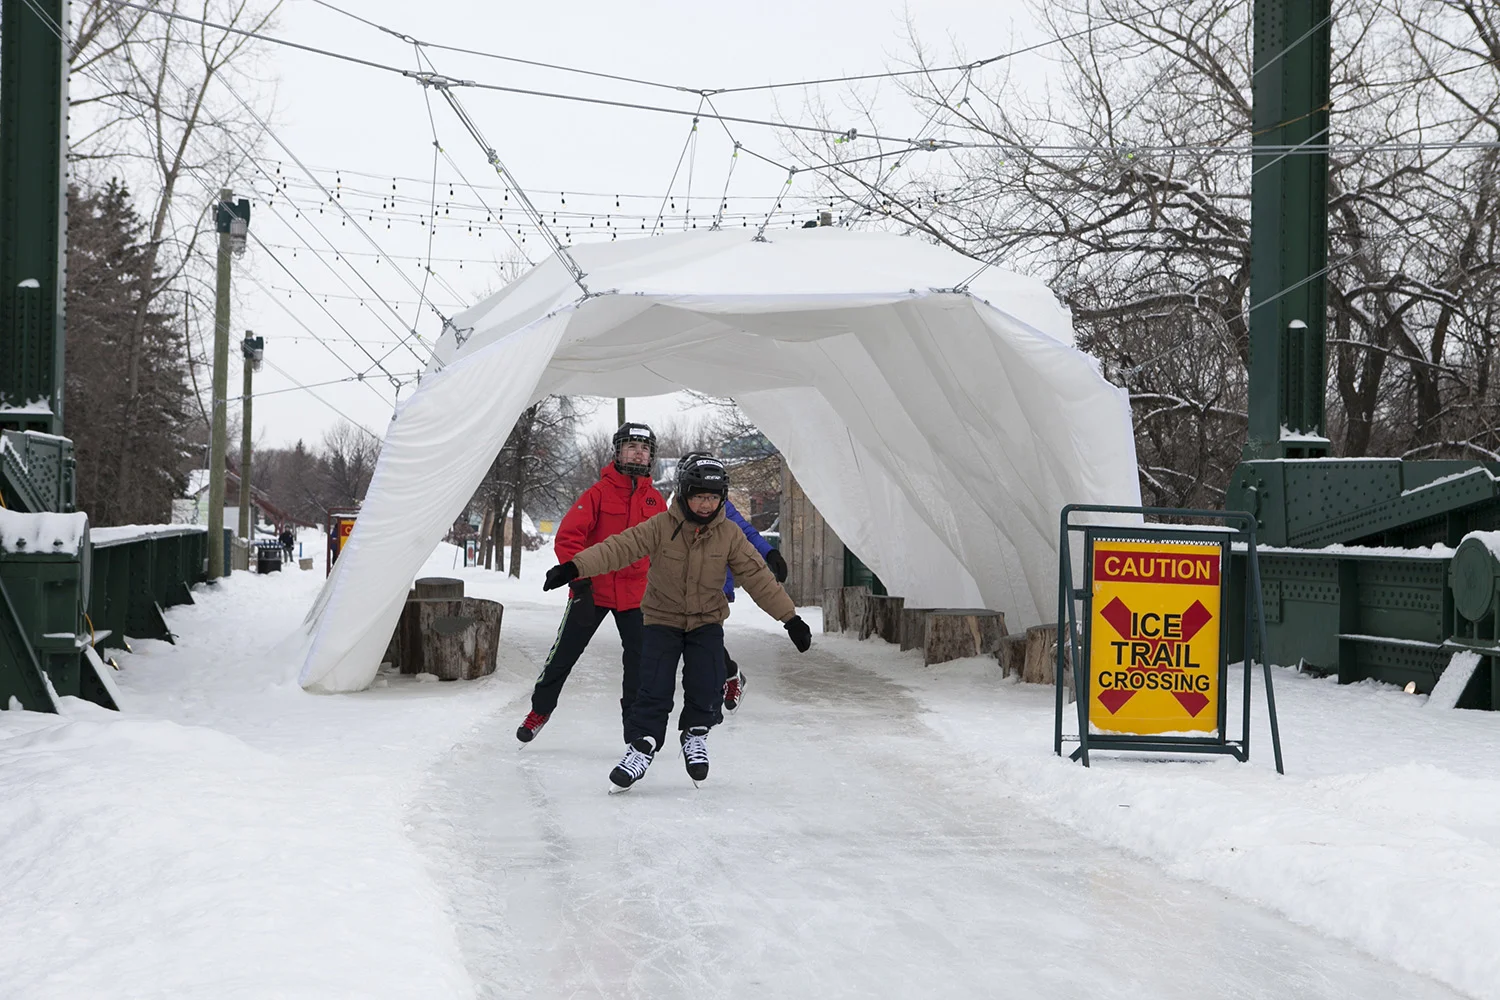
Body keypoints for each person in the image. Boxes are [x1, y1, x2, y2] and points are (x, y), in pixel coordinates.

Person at [543, 453, 812, 790]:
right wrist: (573, 567)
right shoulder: (661, 526)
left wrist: (790, 619)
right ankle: (642, 746)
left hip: (706, 621)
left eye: (713, 497)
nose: (705, 504)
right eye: (699, 495)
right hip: (661, 620)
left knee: (707, 681)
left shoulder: (729, 534)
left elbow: (758, 577)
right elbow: (618, 547)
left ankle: (695, 734)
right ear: (685, 493)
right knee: (652, 686)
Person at [516, 423, 666, 744]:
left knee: (640, 663)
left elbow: (664, 548)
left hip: (637, 594)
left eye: (644, 448)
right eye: (631, 447)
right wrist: (580, 582)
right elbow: (570, 537)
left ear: (650, 456)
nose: (638, 453)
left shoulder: (656, 501)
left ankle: (634, 727)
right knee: (564, 654)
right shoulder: (597, 494)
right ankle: (540, 710)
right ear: (618, 451)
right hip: (593, 589)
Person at [674, 453, 789, 713]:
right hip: (682, 588)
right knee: (688, 639)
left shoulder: (721, 508)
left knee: (705, 642)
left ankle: (723, 682)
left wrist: (770, 554)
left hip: (714, 586)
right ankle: (726, 677)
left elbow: (746, 533)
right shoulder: (676, 509)